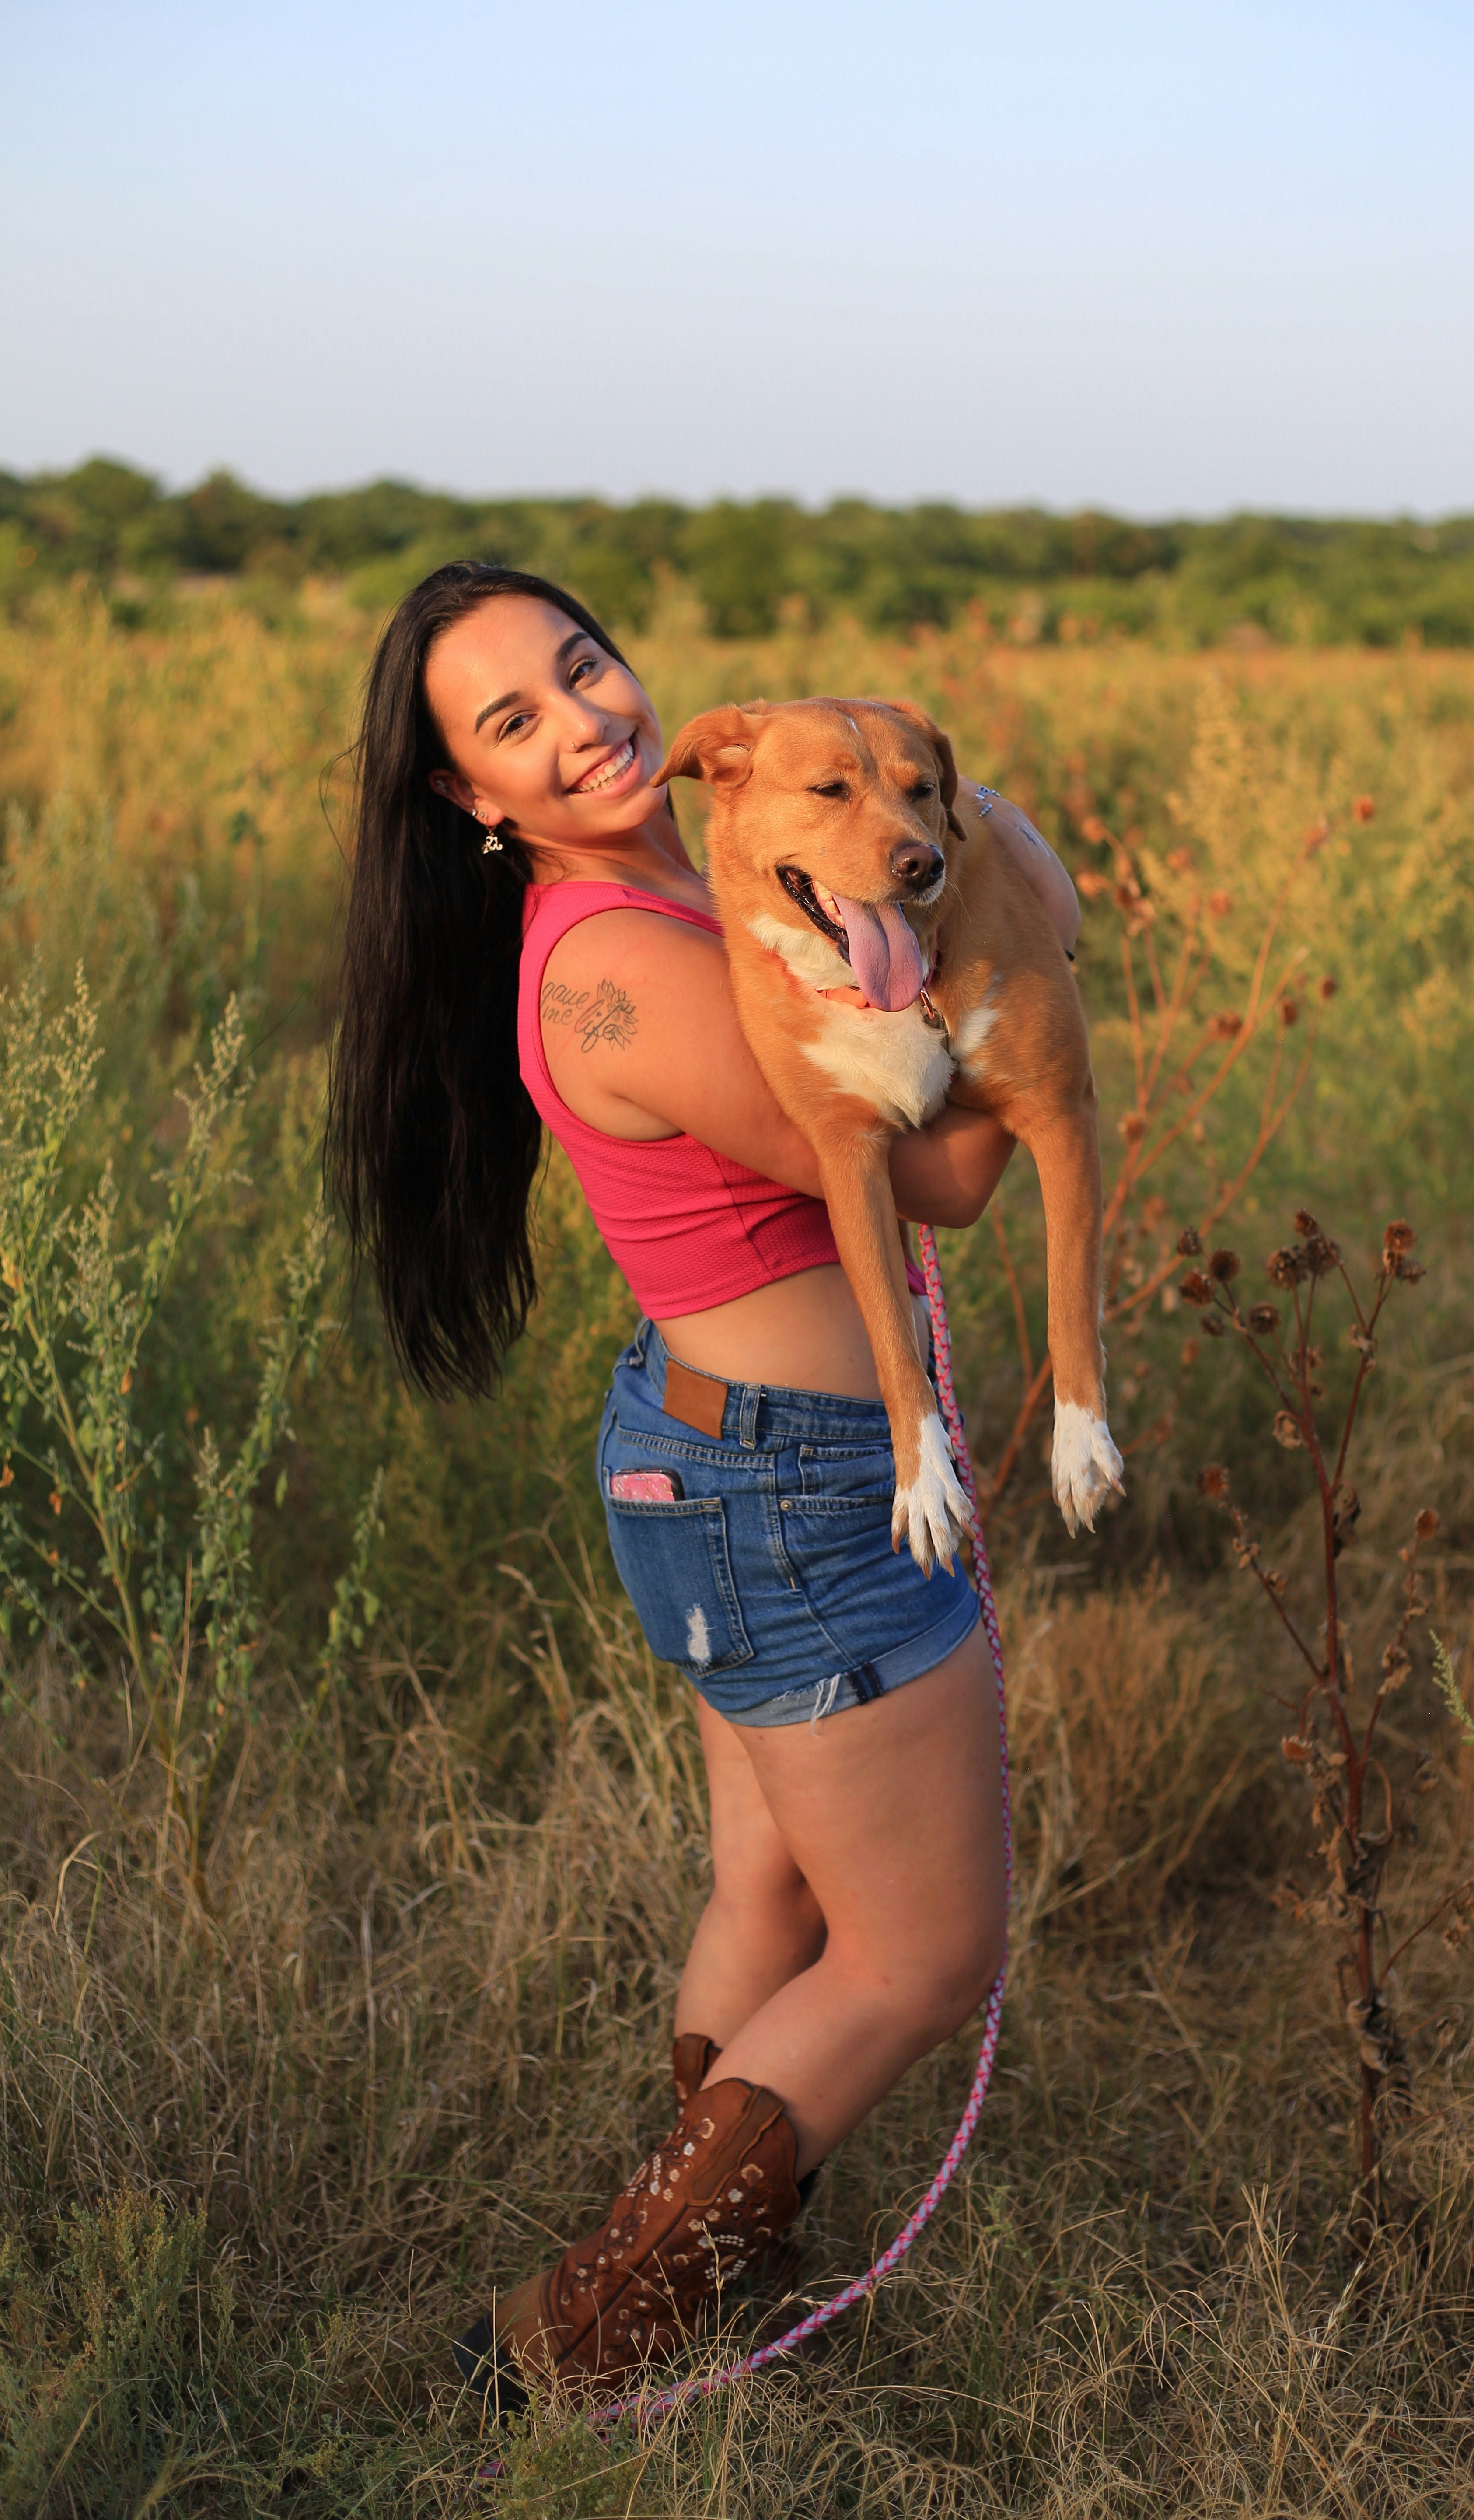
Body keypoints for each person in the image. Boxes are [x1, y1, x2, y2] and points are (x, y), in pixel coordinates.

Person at [325, 562, 1081, 2410]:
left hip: (716, 1455)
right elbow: (957, 1176)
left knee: (771, 1885)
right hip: (796, 1489)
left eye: (584, 668)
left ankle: (718, 2230)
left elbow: (940, 900)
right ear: (469, 800)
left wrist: (910, 835)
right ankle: (575, 2344)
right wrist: (974, 869)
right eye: (516, 722)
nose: (588, 720)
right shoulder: (638, 967)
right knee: (921, 1949)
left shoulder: (690, 875)